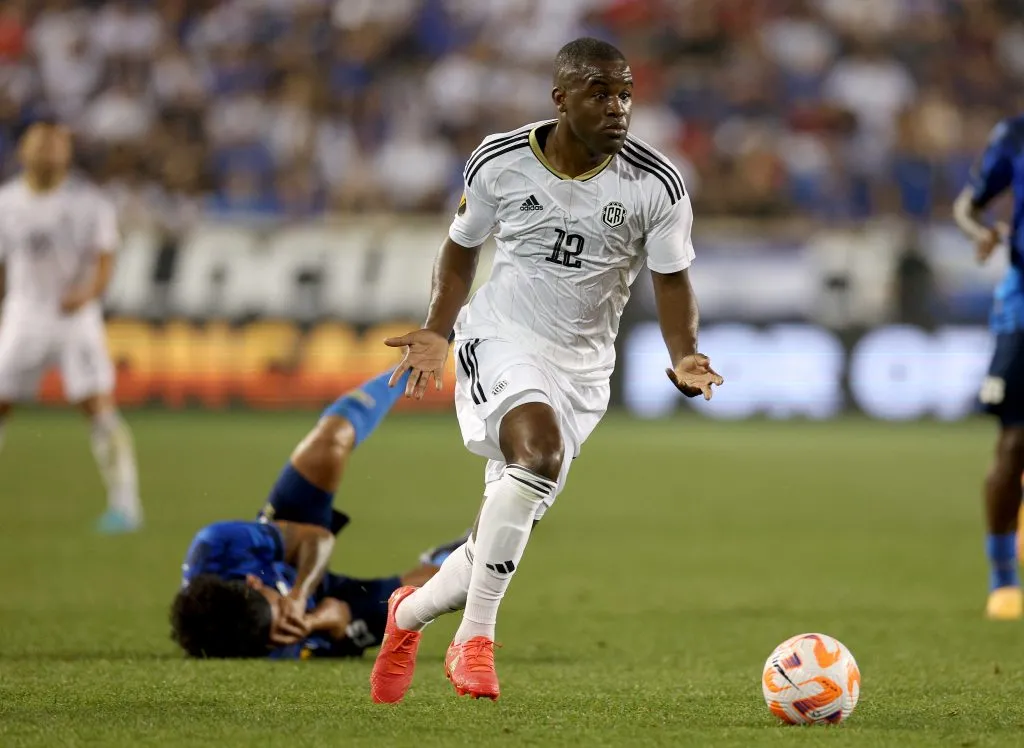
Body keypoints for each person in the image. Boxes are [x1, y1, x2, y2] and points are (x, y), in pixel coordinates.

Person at [370, 37, 723, 703]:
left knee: (500, 525)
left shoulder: (657, 183)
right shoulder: (499, 161)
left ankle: (405, 615)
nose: (617, 107)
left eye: (624, 94)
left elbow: (672, 280)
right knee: (538, 454)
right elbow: (459, 251)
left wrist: (684, 353)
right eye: (600, 93)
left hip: (584, 369)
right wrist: (437, 332)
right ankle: (475, 640)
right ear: (561, 99)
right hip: (502, 335)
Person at [170, 366, 468, 659]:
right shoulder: (271, 643)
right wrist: (313, 621)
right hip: (327, 612)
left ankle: (411, 366)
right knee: (455, 582)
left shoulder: (217, 547)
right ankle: (447, 555)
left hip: (289, 554)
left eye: (277, 601)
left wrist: (298, 593)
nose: (283, 608)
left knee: (332, 438)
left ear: (252, 582)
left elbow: (318, 538)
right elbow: (339, 617)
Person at [0, 120, 141, 533]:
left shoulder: (89, 202)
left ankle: (125, 506)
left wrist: (89, 292)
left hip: (74, 318)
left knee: (96, 404)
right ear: (22, 150)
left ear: (67, 152)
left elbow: (105, 258)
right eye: (40, 144)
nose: (47, 152)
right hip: (24, 312)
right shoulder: (6, 201)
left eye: (55, 144)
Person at [954, 114, 1024, 621]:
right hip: (1022, 305)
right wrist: (981, 230)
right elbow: (968, 205)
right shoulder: (1014, 135)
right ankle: (1003, 578)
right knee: (1015, 440)